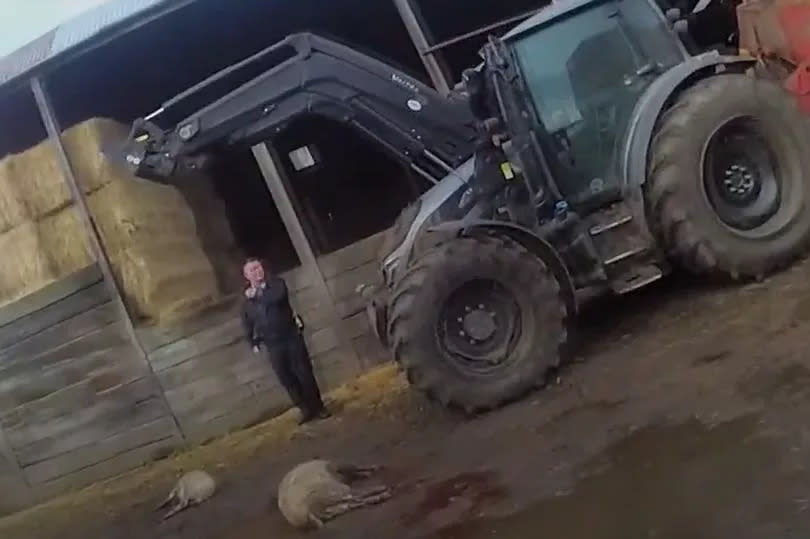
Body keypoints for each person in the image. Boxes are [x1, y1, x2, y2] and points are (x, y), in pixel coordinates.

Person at [241, 258, 330, 424]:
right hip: (272, 344)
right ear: (246, 276)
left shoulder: (276, 284)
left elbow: (276, 298)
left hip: (290, 336)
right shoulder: (247, 302)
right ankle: (305, 409)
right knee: (286, 377)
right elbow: (247, 321)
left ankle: (318, 407)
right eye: (252, 270)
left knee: (304, 372)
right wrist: (252, 341)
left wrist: (257, 295)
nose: (257, 271)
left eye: (258, 267)